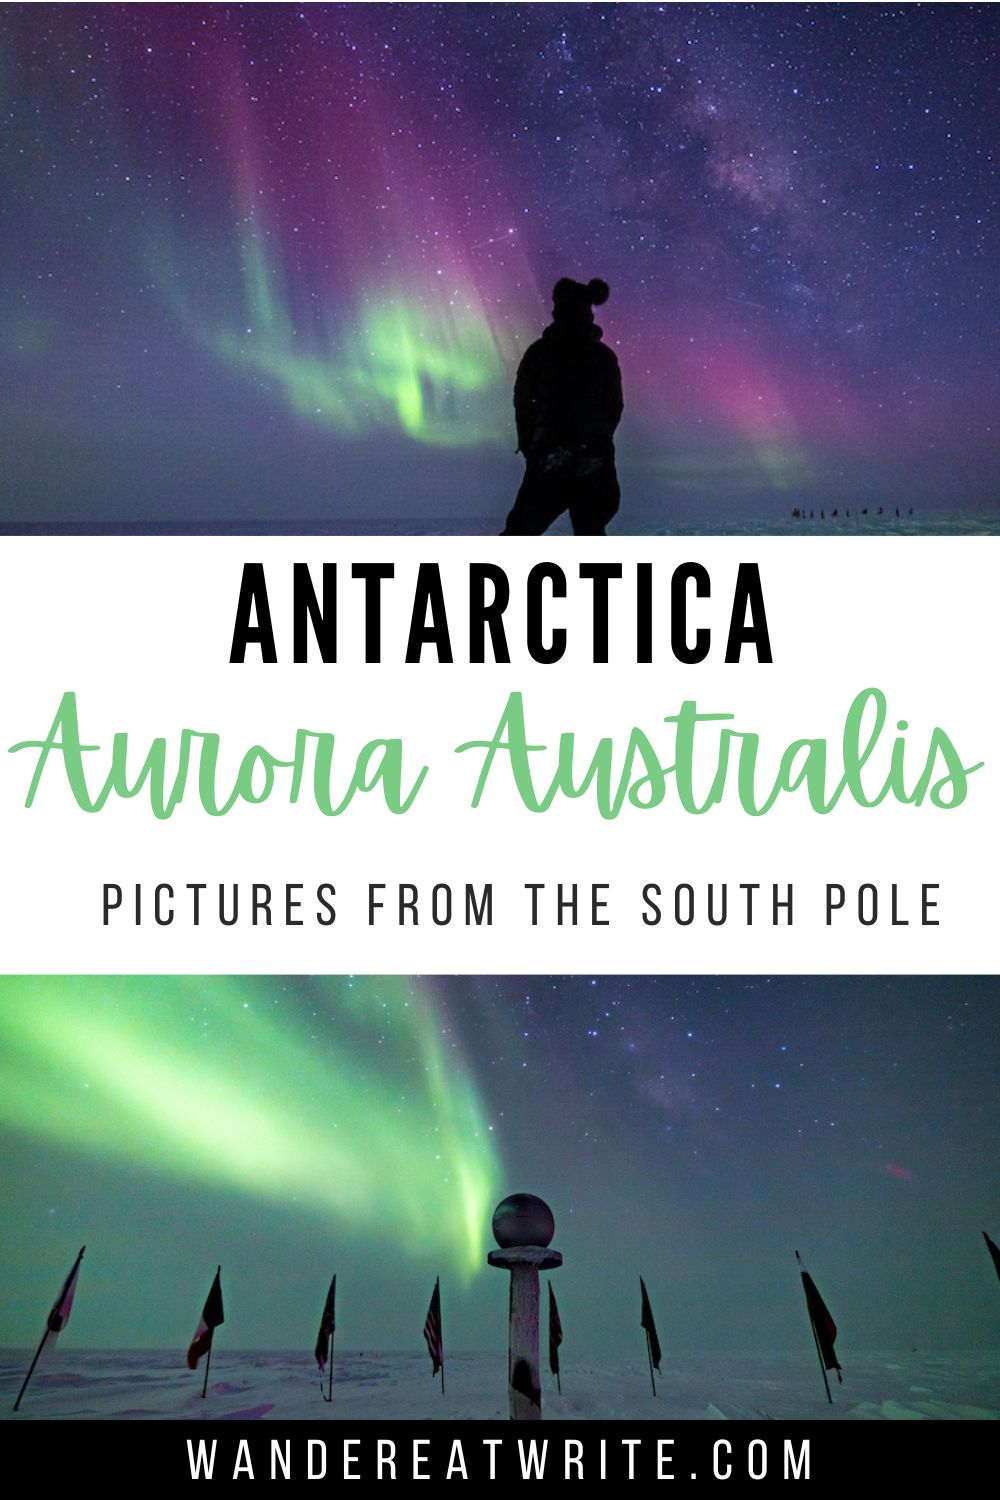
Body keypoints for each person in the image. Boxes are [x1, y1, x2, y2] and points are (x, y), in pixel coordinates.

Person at [502, 277, 623, 536]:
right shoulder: (603, 356)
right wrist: (598, 441)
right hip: (593, 457)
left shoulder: (539, 353)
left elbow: (523, 405)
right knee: (590, 532)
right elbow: (614, 407)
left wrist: (533, 449)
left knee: (520, 532)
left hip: (551, 456)